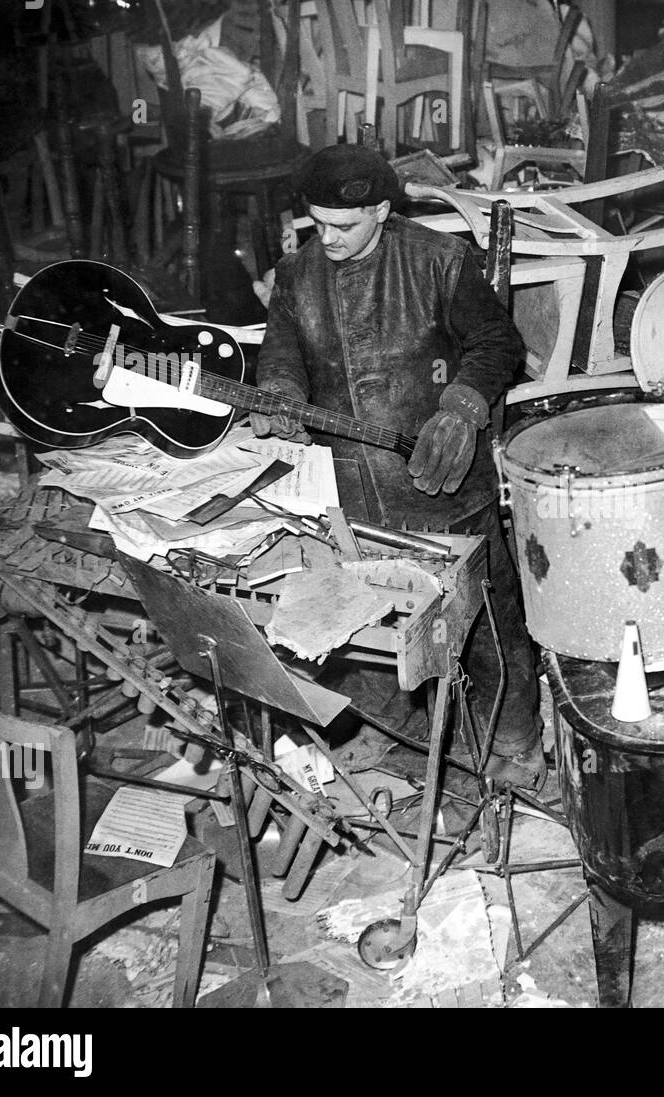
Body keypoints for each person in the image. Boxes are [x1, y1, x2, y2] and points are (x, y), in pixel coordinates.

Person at [252, 144, 544, 789]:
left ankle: (518, 738)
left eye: (344, 226)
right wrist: (281, 396)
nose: (326, 238)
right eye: (316, 223)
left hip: (438, 474)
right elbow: (282, 355)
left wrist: (462, 409)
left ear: (382, 210)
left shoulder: (439, 261)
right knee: (367, 618)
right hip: (348, 482)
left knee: (484, 614)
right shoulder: (298, 275)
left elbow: (499, 343)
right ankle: (397, 734)